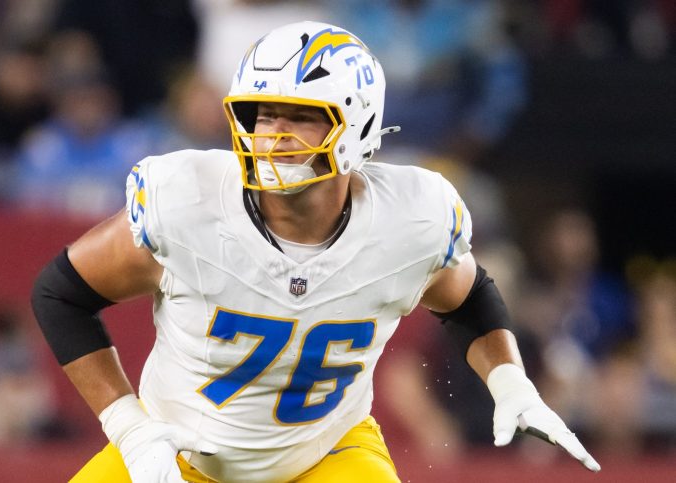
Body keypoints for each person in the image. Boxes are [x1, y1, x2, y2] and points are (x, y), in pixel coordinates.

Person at [31, 21, 599, 482]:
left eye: (302, 116)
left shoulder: (412, 219)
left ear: (358, 127)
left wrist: (509, 381)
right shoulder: (188, 203)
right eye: (265, 112)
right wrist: (130, 427)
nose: (275, 132)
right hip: (175, 455)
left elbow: (467, 295)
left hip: (325, 458)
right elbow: (60, 293)